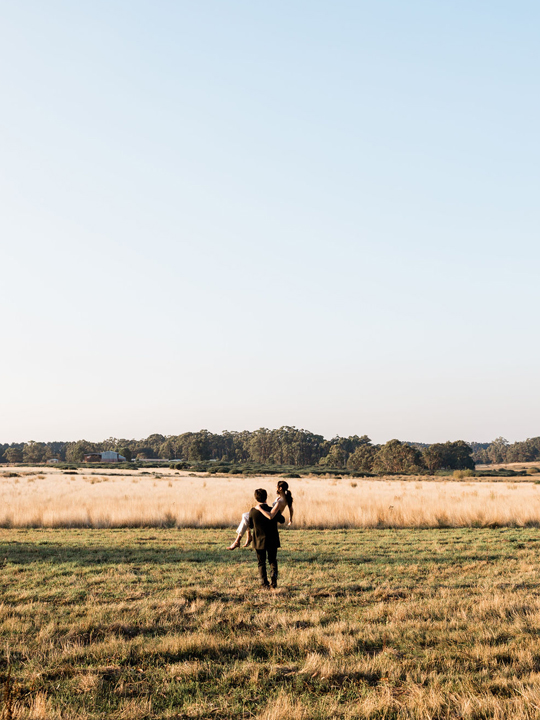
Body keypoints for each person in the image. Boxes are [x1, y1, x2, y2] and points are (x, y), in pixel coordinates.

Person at [227, 480, 294, 550]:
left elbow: (271, 515)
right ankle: (247, 537)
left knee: (245, 516)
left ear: (280, 488)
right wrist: (290, 518)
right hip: (272, 513)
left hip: (271, 515)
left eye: (276, 486)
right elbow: (291, 509)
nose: (275, 487)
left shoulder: (280, 501)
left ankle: (238, 541)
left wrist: (260, 508)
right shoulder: (286, 498)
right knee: (245, 516)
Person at [248, 488, 283, 588]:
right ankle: (274, 580)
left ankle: (264, 583)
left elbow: (250, 525)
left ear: (256, 498)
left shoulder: (253, 511)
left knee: (261, 563)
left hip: (259, 541)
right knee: (272, 560)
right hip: (272, 540)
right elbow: (282, 520)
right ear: (266, 497)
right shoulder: (273, 510)